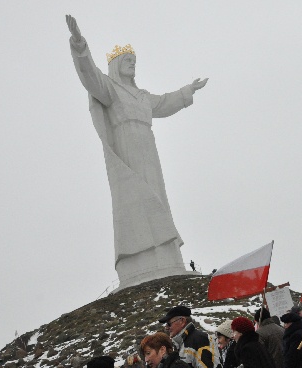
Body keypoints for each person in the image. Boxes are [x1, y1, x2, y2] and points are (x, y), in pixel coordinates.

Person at [66, 15, 209, 288]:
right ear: (117, 65)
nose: (133, 65)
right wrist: (79, 45)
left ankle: (165, 254)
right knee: (135, 198)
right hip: (126, 146)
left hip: (147, 146)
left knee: (156, 197)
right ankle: (139, 259)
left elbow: (165, 103)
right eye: (128, 61)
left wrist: (188, 89)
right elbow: (90, 76)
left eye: (134, 61)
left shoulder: (142, 95)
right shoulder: (111, 88)